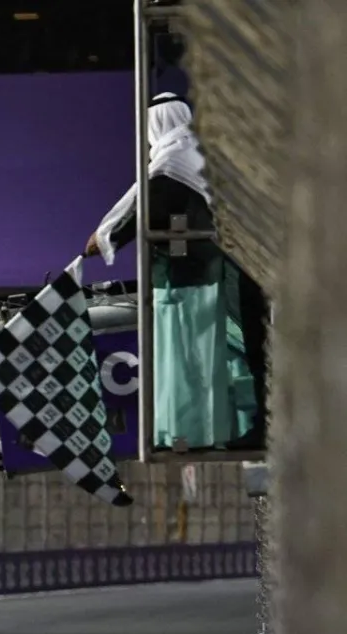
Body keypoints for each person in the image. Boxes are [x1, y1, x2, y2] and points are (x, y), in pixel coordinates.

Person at [84, 93, 265, 450]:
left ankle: (221, 431)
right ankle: (250, 426)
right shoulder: (199, 152)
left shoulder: (173, 164)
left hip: (206, 278)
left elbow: (144, 207)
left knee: (225, 353)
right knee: (248, 350)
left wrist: (105, 238)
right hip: (235, 268)